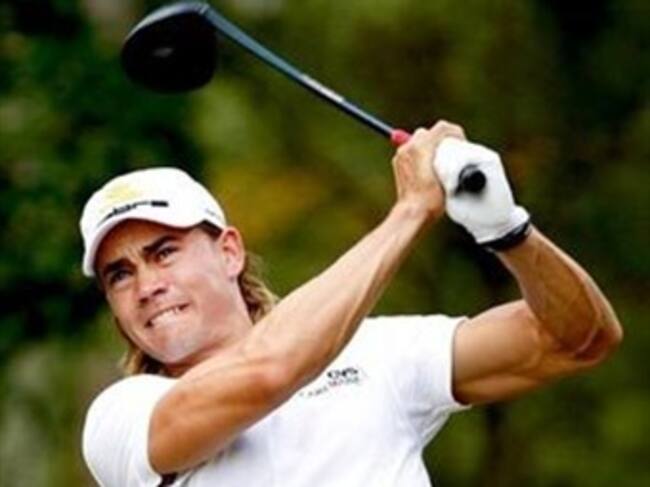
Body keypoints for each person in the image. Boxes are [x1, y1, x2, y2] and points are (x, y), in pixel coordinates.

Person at [80, 121, 622, 487]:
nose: (146, 285)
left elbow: (577, 340)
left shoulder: (375, 353)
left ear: (229, 252)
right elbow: (267, 372)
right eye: (119, 275)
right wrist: (410, 211)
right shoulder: (123, 418)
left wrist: (507, 230)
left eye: (164, 253)